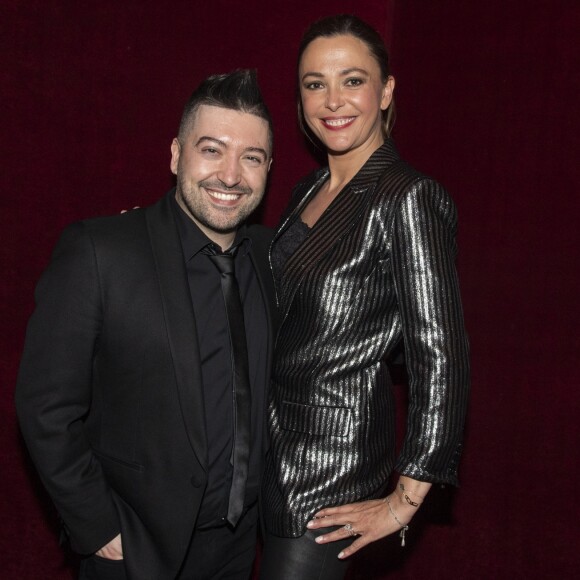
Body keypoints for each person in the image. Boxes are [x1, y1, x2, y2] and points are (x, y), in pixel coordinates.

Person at [15, 69, 276, 580]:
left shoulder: (273, 259)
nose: (230, 175)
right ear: (177, 154)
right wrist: (97, 528)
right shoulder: (101, 251)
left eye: (251, 157)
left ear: (268, 169)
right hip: (136, 550)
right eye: (211, 149)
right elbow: (45, 406)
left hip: (240, 548)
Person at [259, 15, 470, 579]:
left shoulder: (407, 197)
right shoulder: (309, 188)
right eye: (314, 83)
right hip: (263, 454)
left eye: (352, 80)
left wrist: (404, 500)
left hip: (329, 473)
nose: (332, 100)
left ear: (386, 91)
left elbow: (439, 354)